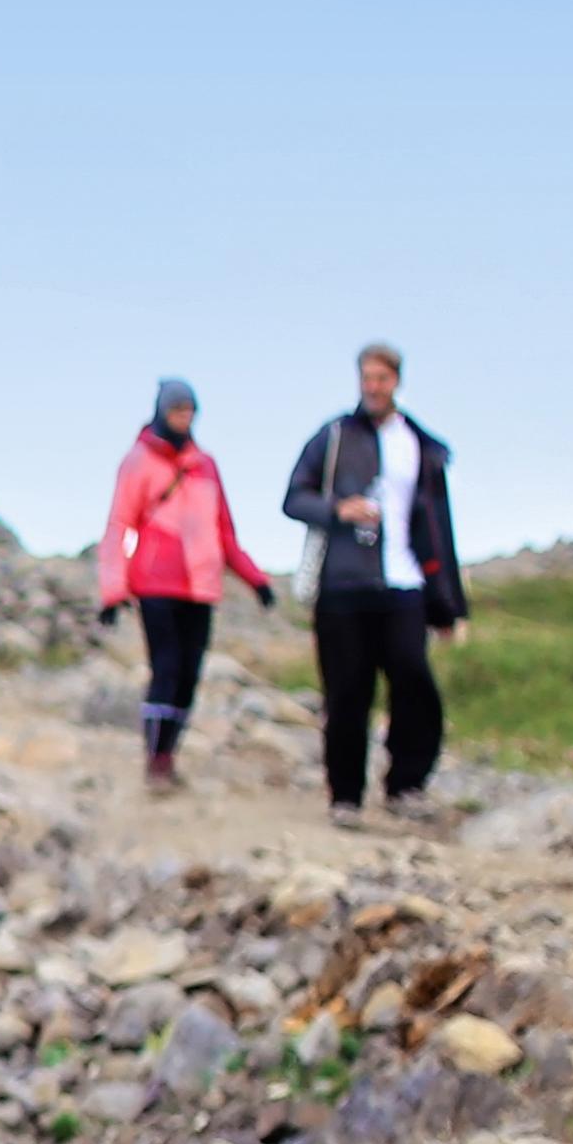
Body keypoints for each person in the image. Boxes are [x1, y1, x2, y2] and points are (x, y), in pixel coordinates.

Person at [278, 344, 463, 820]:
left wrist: (448, 606)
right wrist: (338, 509)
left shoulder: (419, 445)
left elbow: (439, 527)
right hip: (341, 588)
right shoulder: (334, 436)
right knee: (346, 694)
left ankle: (406, 785)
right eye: (366, 377)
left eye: (381, 378)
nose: (373, 386)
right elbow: (293, 498)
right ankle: (345, 797)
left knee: (413, 681)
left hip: (404, 585)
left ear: (396, 380)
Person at [95, 377, 275, 796]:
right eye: (177, 410)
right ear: (162, 411)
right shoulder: (138, 461)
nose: (183, 418)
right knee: (167, 667)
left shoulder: (206, 465)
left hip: (202, 587)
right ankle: (155, 761)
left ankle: (169, 755)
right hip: (156, 584)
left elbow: (224, 532)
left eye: (189, 411)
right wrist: (113, 589)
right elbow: (119, 525)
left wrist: (256, 580)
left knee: (189, 676)